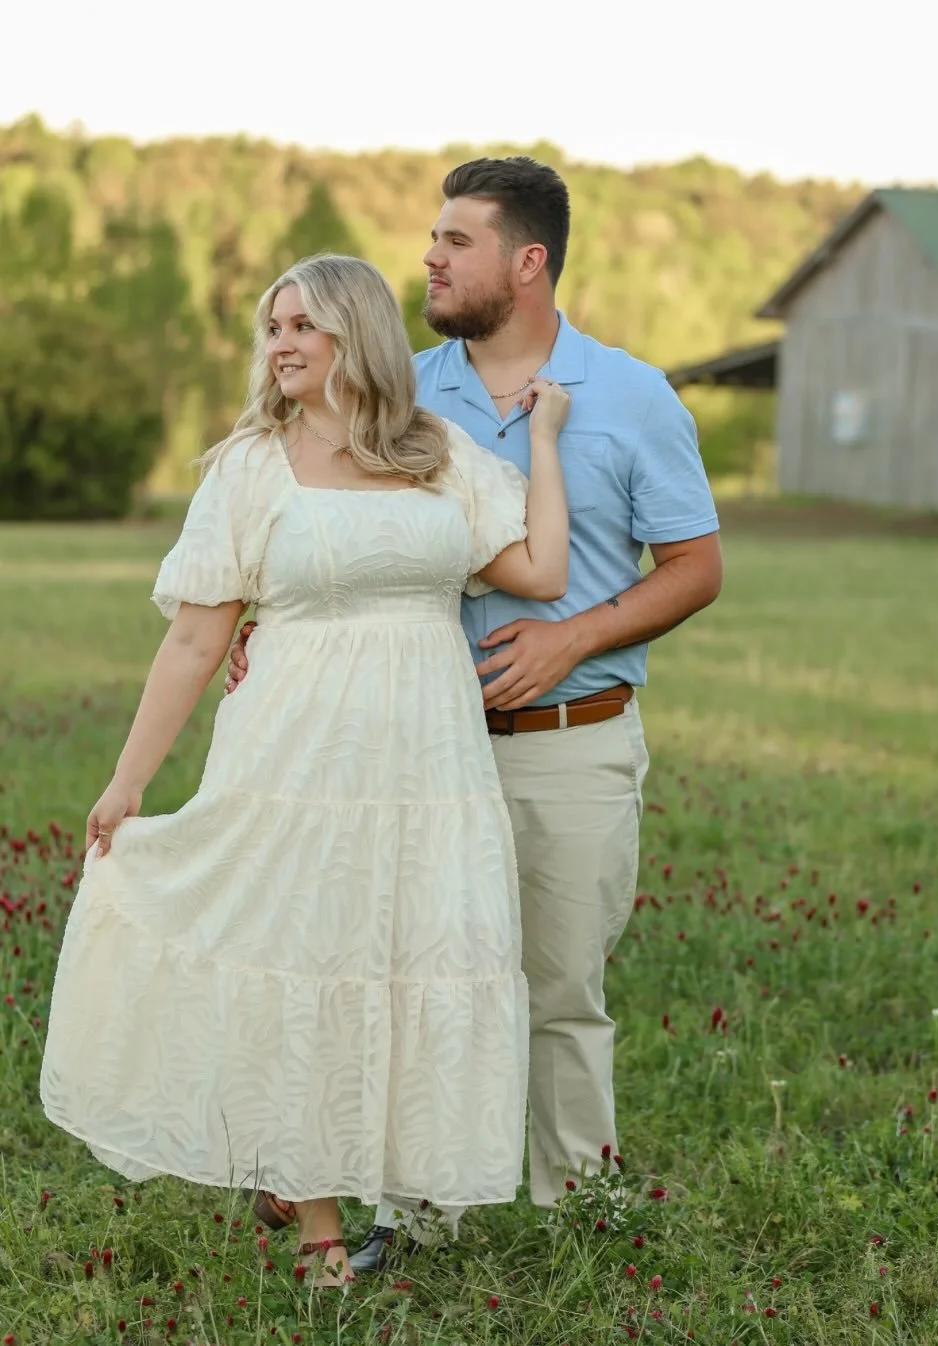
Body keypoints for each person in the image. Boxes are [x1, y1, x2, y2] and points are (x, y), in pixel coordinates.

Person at [227, 157, 723, 1272]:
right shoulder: (403, 396)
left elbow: (695, 565)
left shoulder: (633, 394)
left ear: (527, 260)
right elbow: (336, 532)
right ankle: (414, 1217)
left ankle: (581, 1228)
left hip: (571, 739)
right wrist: (278, 624)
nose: (430, 259)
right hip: (414, 750)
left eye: (455, 240)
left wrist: (574, 635)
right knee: (409, 978)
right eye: (433, 239)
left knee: (558, 987)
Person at [39, 253, 571, 1289]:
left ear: (356, 334)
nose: (279, 343)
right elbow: (196, 641)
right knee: (306, 956)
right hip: (293, 755)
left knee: (416, 953)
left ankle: (380, 1179)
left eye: (301, 325)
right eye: (270, 326)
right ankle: (319, 1224)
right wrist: (127, 779)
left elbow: (540, 572)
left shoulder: (438, 455)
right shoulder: (249, 466)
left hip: (427, 765)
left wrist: (542, 444)